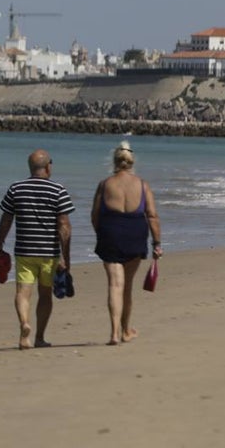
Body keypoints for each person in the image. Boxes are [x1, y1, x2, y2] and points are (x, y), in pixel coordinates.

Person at [0, 149, 73, 350]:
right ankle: (39, 337)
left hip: (24, 251)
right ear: (47, 167)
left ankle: (23, 327)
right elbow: (64, 226)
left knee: (22, 292)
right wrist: (66, 256)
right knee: (45, 295)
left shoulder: (16, 189)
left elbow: (6, 219)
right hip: (49, 254)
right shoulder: (58, 190)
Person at [91, 141, 162, 346]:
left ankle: (114, 333)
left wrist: (102, 234)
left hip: (110, 235)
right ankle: (126, 331)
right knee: (127, 287)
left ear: (114, 161)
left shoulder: (105, 184)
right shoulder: (142, 185)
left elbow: (95, 215)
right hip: (135, 236)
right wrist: (157, 243)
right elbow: (152, 216)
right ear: (132, 162)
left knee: (115, 284)